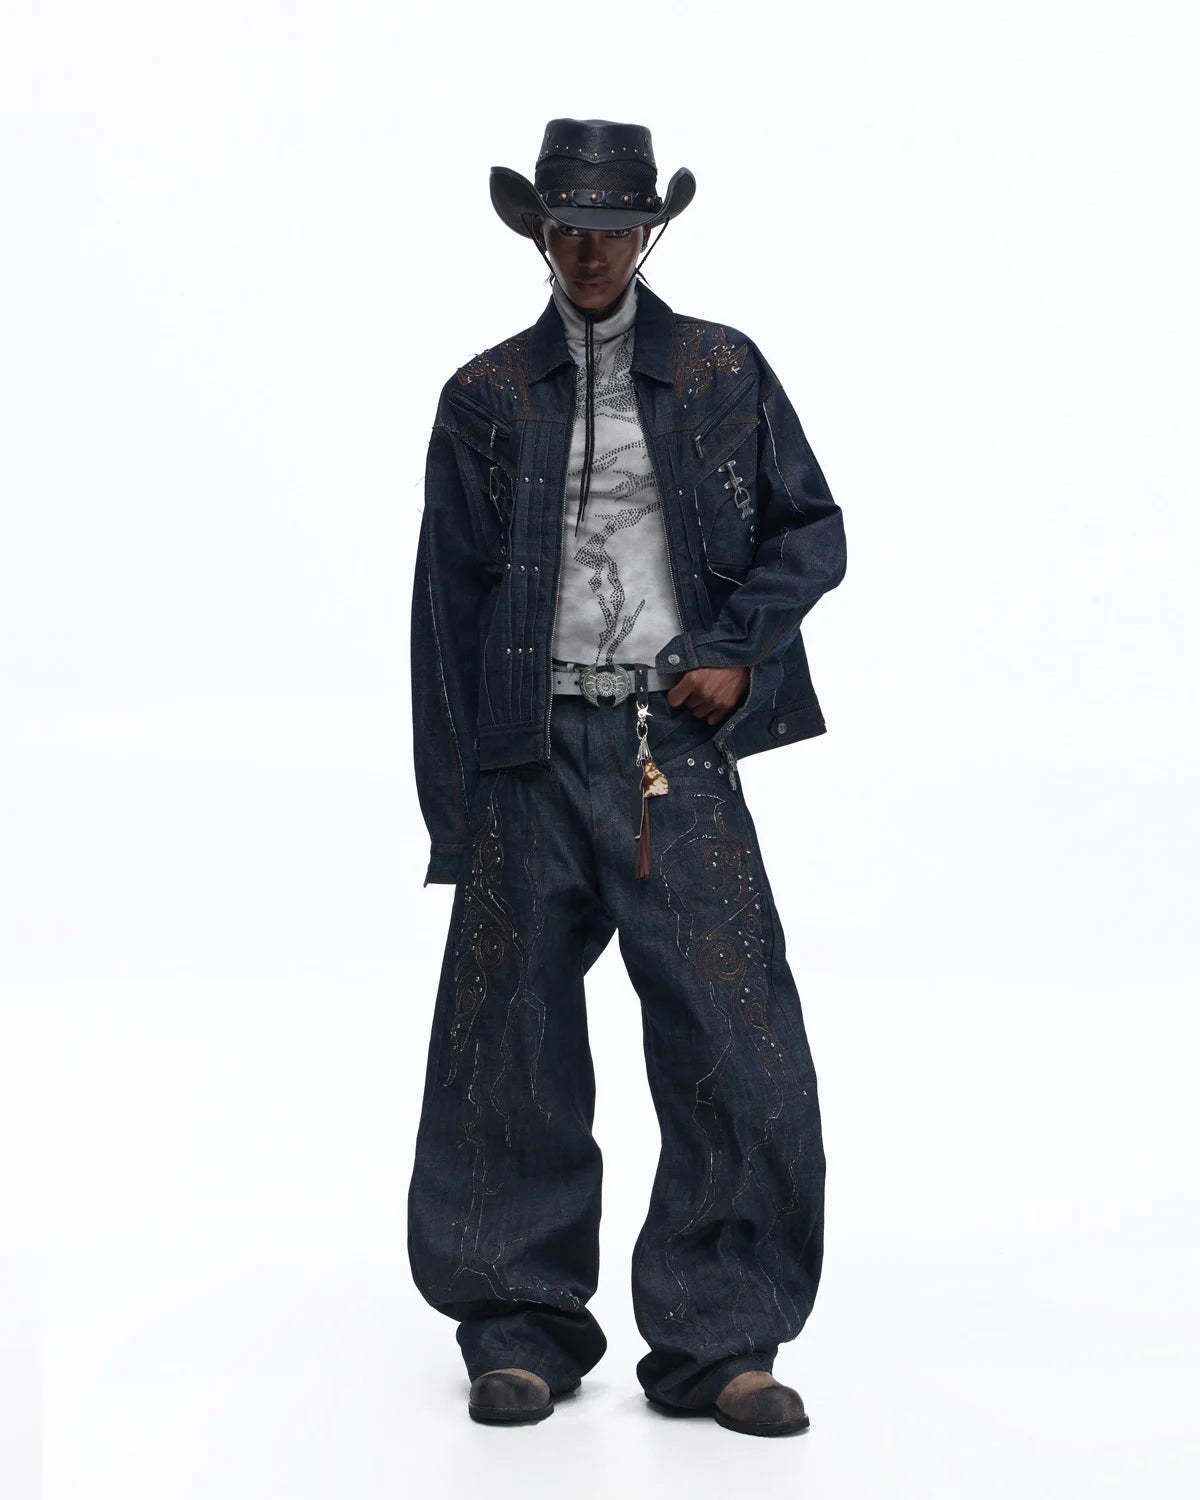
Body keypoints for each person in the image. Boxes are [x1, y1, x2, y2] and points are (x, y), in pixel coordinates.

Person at [406, 117, 846, 1438]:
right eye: (568, 227)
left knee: (734, 1036)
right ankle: (519, 1328)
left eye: (613, 227)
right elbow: (447, 611)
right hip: (527, 751)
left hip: (673, 750)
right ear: (538, 232)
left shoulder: (721, 369)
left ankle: (724, 1341)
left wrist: (734, 653)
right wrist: (456, 810)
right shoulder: (485, 395)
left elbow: (810, 529)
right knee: (506, 1045)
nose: (589, 250)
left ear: (649, 231)